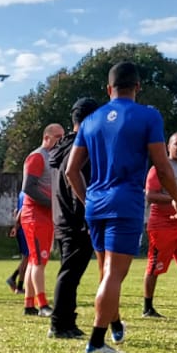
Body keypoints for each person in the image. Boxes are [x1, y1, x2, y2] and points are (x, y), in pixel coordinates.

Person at [68, 59, 177, 353]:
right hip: (124, 204)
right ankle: (96, 341)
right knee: (113, 275)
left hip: (96, 205)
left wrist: (87, 200)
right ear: (138, 87)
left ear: (109, 89)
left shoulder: (91, 120)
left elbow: (71, 171)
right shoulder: (148, 116)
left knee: (107, 271)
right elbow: (162, 165)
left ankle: (115, 321)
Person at [46, 98, 99, 339]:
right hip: (76, 219)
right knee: (70, 273)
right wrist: (87, 218)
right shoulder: (82, 147)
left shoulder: (63, 145)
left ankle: (66, 320)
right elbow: (77, 183)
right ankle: (59, 324)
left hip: (61, 217)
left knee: (69, 271)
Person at [142, 131, 177, 319]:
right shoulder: (159, 168)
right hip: (162, 225)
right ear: (169, 146)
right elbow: (150, 196)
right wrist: (174, 200)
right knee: (154, 267)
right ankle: (148, 307)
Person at [19, 124, 65, 316]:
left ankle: (29, 304)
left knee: (34, 261)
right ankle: (43, 305)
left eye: (63, 136)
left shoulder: (52, 157)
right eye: (57, 137)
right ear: (46, 137)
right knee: (39, 261)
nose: (61, 140)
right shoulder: (38, 156)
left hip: (44, 216)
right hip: (35, 216)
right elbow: (28, 187)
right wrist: (52, 203)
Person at [6, 192, 28, 294]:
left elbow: (16, 211)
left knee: (28, 258)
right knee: (27, 258)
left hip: (23, 227)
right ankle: (19, 287)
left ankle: (13, 278)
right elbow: (21, 210)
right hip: (24, 228)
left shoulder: (22, 193)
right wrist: (16, 226)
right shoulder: (29, 191)